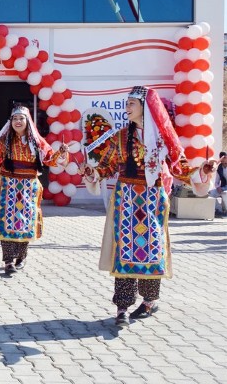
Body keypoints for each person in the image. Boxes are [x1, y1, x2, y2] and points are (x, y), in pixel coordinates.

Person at [82, 86, 215, 327]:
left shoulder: (164, 138)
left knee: (151, 249)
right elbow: (107, 167)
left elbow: (179, 168)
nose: (127, 107)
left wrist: (202, 171)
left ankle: (150, 301)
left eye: (131, 103)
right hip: (126, 200)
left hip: (152, 200)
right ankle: (122, 306)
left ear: (145, 107)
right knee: (124, 249)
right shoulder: (120, 136)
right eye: (127, 103)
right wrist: (93, 173)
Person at [0, 106, 68, 275]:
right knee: (6, 220)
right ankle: (8, 260)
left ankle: (21, 257)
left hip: (29, 186)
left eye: (21, 118)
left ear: (27, 121)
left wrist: (61, 152)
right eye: (15, 119)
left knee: (25, 221)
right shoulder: (5, 140)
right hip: (8, 184)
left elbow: (50, 160)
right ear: (11, 122)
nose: (18, 122)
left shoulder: (37, 141)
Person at [210, 152, 227, 217]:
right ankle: (219, 210)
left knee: (225, 193)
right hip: (223, 187)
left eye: (225, 157)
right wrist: (218, 187)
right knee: (211, 194)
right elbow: (216, 182)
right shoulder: (219, 168)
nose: (223, 159)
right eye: (222, 158)